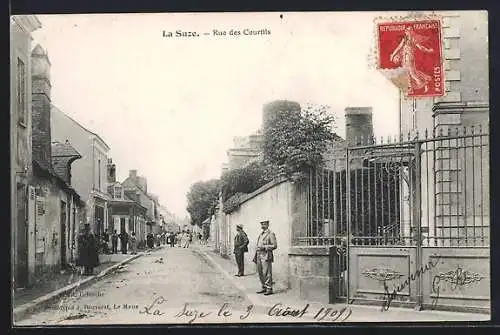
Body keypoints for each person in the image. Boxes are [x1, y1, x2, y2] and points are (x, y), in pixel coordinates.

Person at [253, 220, 277, 295]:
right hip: (259, 255)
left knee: (267, 272)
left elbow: (274, 245)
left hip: (266, 255)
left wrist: (264, 247)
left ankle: (269, 288)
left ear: (267, 224)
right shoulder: (261, 234)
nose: (262, 225)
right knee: (260, 272)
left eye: (264, 224)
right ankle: (264, 287)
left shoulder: (270, 234)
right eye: (261, 224)